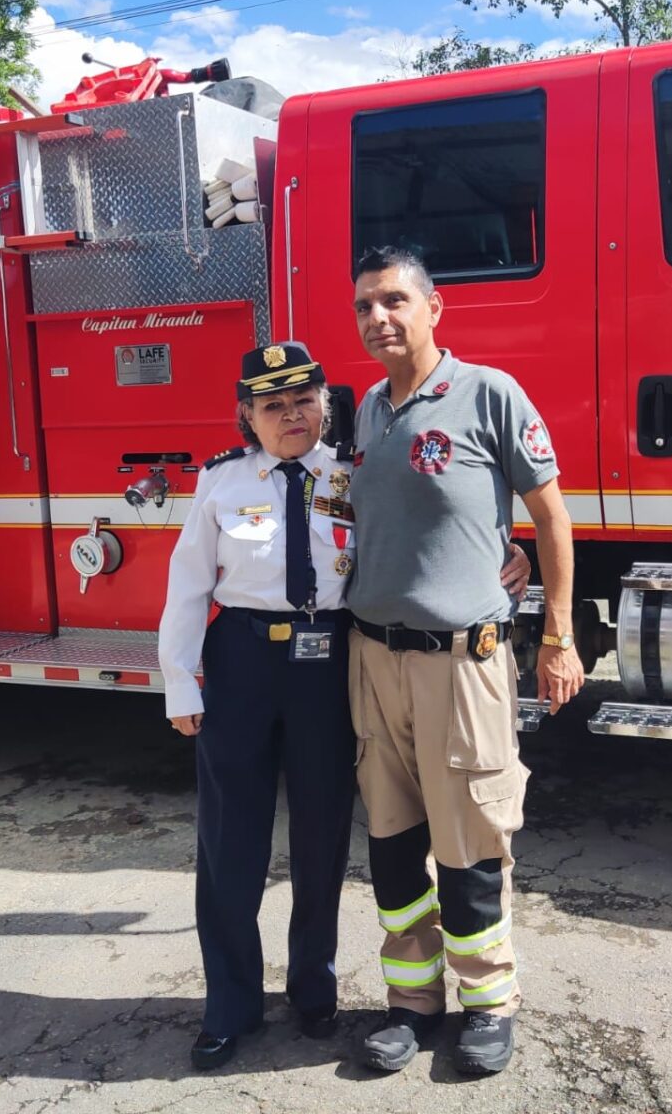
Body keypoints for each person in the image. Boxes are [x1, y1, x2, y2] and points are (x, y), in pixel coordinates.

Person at [157, 339, 532, 1072]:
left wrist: (505, 547)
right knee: (231, 840)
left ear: (326, 406)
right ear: (248, 417)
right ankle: (230, 1006)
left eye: (304, 400)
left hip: (330, 661)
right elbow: (187, 586)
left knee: (324, 837)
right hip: (240, 660)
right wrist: (180, 680)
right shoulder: (223, 484)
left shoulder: (358, 476)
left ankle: (312, 991)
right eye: (272, 406)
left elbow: (430, 527)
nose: (290, 416)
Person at [346, 246, 585, 1077]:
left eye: (394, 300)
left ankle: (488, 1002)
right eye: (365, 306)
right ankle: (412, 1004)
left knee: (472, 842)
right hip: (374, 663)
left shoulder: (489, 394)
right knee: (392, 841)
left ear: (433, 307)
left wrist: (558, 635)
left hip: (461, 665)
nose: (379, 317)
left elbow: (552, 521)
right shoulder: (368, 410)